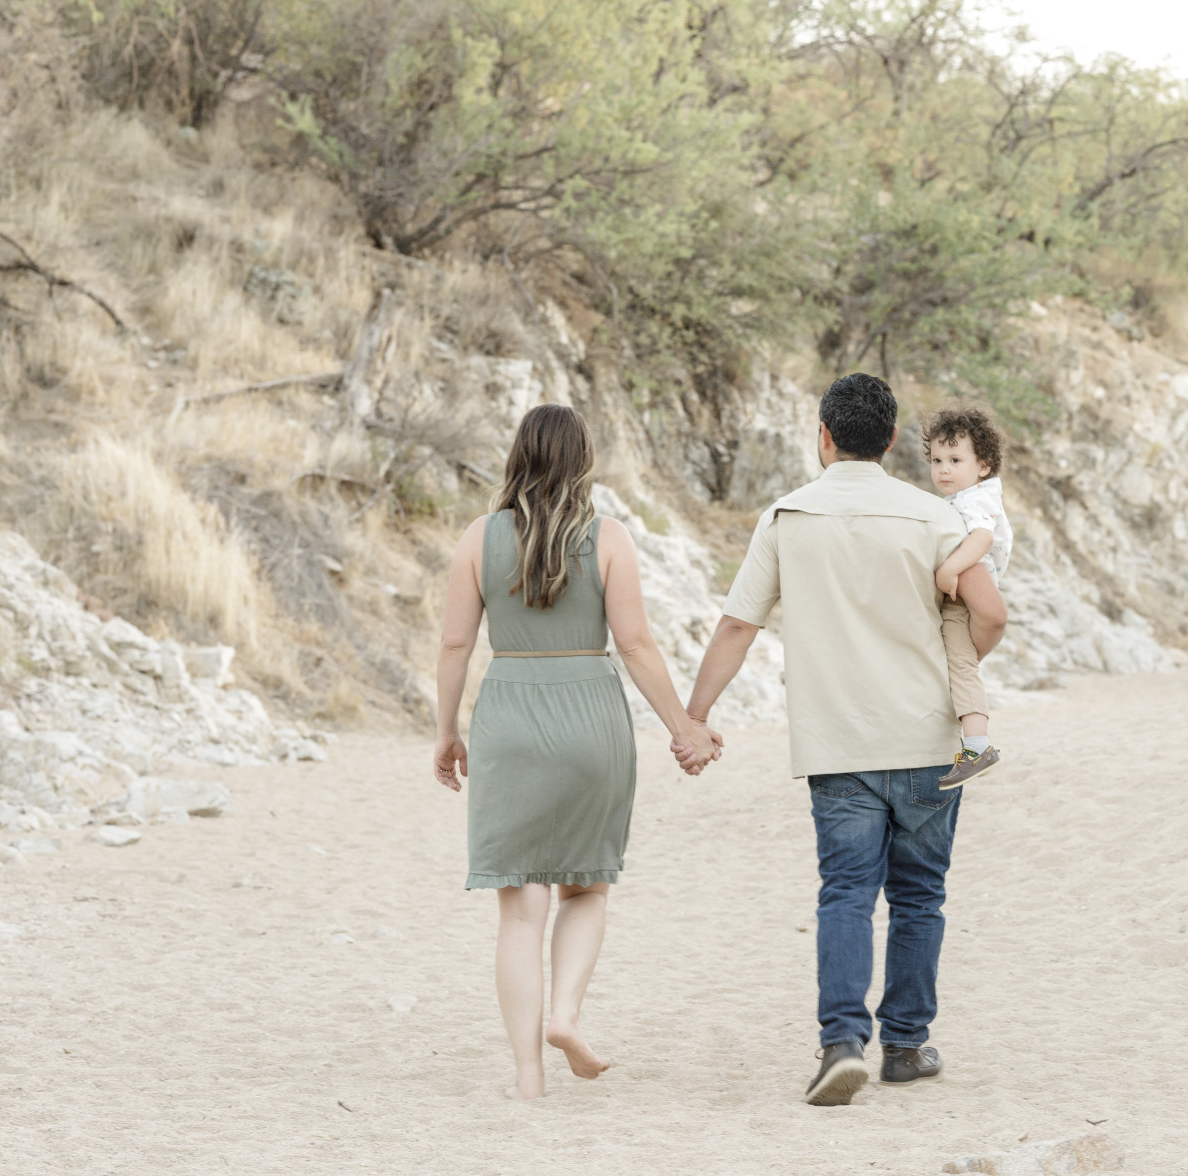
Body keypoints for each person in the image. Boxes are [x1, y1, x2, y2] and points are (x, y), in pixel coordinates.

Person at [684, 373, 1004, 1106]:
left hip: (837, 745)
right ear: (890, 439)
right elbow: (990, 611)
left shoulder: (787, 514)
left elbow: (737, 625)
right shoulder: (934, 517)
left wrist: (696, 715)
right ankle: (905, 1045)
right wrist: (956, 671)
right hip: (926, 740)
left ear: (823, 436)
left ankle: (839, 1043)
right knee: (919, 894)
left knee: (846, 893)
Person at [432, 404, 722, 1101]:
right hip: (591, 715)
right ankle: (565, 1016)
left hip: (509, 717)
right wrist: (683, 726)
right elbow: (636, 644)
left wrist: (446, 730)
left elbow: (452, 644)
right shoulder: (609, 536)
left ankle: (528, 1075)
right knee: (585, 885)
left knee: (520, 908)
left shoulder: (479, 536)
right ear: (583, 458)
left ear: (517, 456)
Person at [922, 407, 1010, 788]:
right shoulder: (966, 495)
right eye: (937, 460)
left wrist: (949, 569)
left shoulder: (974, 500)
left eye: (956, 460)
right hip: (966, 591)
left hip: (965, 597)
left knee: (960, 664)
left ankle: (977, 747)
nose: (944, 469)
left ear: (984, 465)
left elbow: (982, 538)